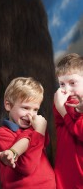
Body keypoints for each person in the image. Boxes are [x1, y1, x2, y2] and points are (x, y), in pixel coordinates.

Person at [0, 77, 56, 189]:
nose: (30, 114)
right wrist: (38, 131)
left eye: (35, 109)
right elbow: (27, 167)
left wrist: (38, 131)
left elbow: (41, 144)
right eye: (25, 108)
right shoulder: (1, 134)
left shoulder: (34, 130)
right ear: (8, 105)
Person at [53, 53, 83, 189]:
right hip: (64, 173)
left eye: (72, 83)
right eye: (62, 84)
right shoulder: (60, 103)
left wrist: (63, 111)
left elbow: (79, 131)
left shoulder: (61, 107)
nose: (67, 89)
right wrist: (61, 108)